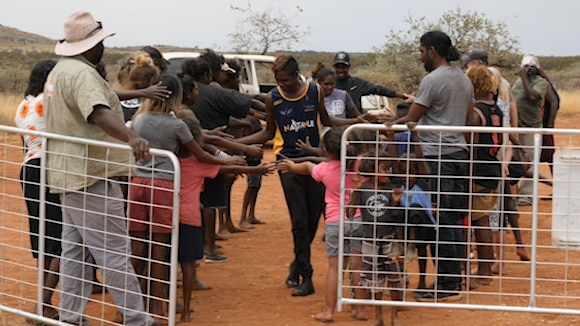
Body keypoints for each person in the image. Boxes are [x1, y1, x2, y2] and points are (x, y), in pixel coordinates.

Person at [44, 11, 156, 325]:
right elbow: (98, 113)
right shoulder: (82, 73)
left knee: (75, 252)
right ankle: (137, 319)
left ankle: (71, 316)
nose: (102, 48)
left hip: (69, 173)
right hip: (89, 174)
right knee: (114, 251)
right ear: (91, 45)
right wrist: (131, 136)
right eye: (100, 42)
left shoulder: (60, 70)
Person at [235, 54, 365, 297]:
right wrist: (236, 144)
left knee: (314, 219)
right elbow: (268, 134)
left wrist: (356, 122)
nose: (280, 84)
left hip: (316, 161)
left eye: (284, 79)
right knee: (299, 222)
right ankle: (307, 277)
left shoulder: (313, 92)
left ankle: (296, 264)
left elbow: (327, 121)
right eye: (277, 80)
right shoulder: (273, 98)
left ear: (296, 76)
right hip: (288, 164)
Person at [127, 73, 245, 319]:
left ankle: (127, 307)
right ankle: (157, 308)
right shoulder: (176, 125)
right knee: (159, 249)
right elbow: (201, 154)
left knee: (137, 249)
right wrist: (229, 159)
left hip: (137, 184)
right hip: (163, 186)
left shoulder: (138, 120)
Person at [389, 30, 474, 302]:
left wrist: (389, 124)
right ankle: (452, 280)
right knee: (454, 218)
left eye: (422, 51)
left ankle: (448, 285)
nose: (421, 55)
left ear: (432, 51)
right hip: (460, 153)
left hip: (438, 157)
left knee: (443, 220)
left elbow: (412, 118)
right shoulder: (463, 78)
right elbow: (470, 120)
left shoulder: (432, 80)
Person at [177, 118, 274, 322]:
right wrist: (256, 170)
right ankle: (186, 309)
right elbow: (225, 169)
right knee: (188, 264)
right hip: (190, 218)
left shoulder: (169, 159)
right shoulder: (199, 162)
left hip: (167, 217)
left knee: (165, 262)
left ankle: (163, 302)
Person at [278, 127, 364, 323]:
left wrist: (291, 166)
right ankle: (360, 310)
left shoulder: (325, 170)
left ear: (326, 151)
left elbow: (309, 167)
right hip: (358, 220)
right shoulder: (360, 166)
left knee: (335, 268)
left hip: (335, 222)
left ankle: (329, 311)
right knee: (358, 268)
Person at [15, 60, 61, 322]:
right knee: (63, 236)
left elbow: (25, 144)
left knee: (42, 236)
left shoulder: (24, 104)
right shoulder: (49, 100)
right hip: (50, 167)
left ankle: (45, 302)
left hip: (29, 168)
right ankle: (42, 303)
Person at [348, 150, 405, 326]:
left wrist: (396, 202)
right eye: (383, 169)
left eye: (388, 169)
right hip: (369, 240)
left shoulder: (391, 188)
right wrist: (355, 192)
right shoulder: (363, 189)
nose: (387, 173)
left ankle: (394, 315)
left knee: (395, 279)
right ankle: (379, 316)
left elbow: (397, 217)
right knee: (375, 281)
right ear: (371, 170)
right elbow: (350, 213)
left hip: (390, 238)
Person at [465, 65, 504, 288]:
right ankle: (486, 265)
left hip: (478, 170)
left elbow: (473, 145)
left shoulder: (476, 111)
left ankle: (485, 270)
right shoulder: (495, 108)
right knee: (483, 219)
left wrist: (469, 174)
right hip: (492, 166)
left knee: (480, 220)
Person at [512, 54, 558, 206]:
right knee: (516, 160)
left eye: (531, 67)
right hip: (517, 127)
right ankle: (514, 192)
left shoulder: (541, 83)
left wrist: (549, 125)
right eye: (525, 67)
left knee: (530, 161)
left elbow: (533, 96)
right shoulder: (518, 82)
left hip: (531, 127)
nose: (527, 70)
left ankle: (527, 195)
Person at [332, 51, 411, 113]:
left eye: (343, 67)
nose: (340, 70)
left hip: (354, 126)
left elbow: (378, 89)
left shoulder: (356, 83)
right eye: (337, 67)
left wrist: (404, 96)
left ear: (349, 67)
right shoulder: (329, 84)